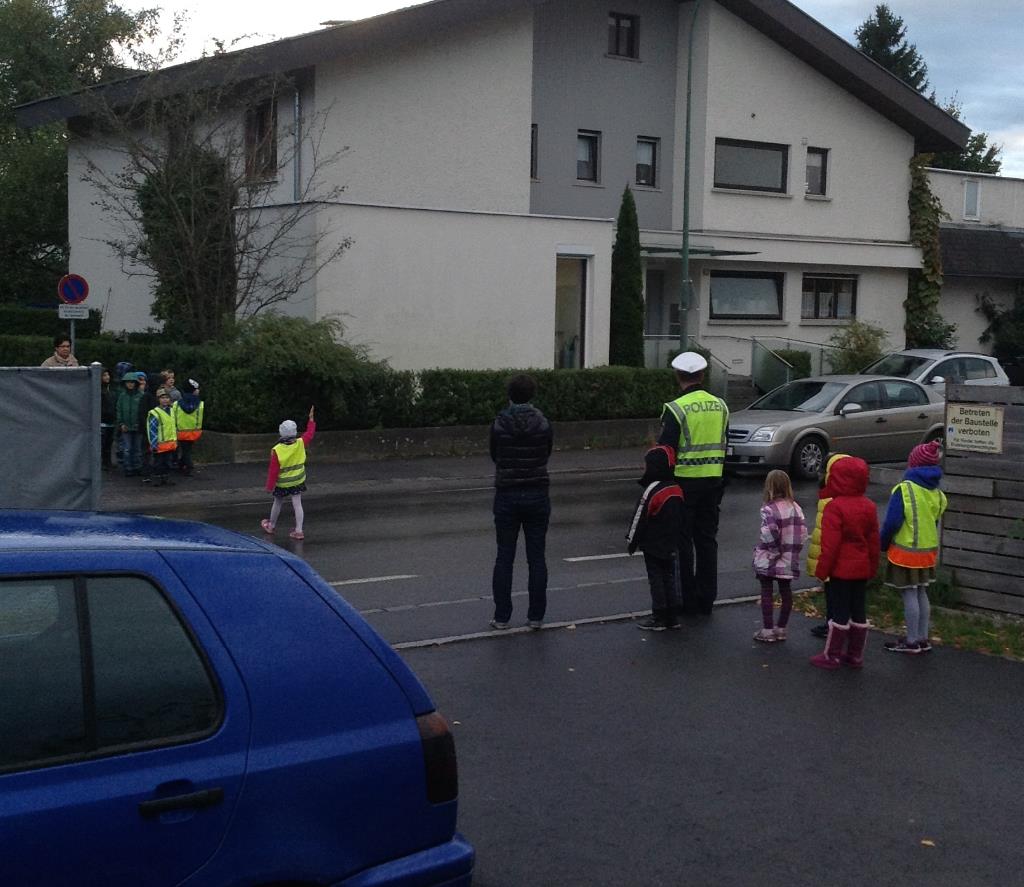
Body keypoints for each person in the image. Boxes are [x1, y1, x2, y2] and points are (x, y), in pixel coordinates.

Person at [658, 351, 729, 617]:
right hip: (713, 481)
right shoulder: (721, 405)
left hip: (684, 483)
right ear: (702, 374)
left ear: (678, 375)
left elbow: (666, 451)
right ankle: (707, 599)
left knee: (683, 542)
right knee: (707, 541)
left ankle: (687, 600)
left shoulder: (675, 408)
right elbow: (726, 443)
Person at [489, 373, 553, 631]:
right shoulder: (543, 423)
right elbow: (546, 452)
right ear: (532, 395)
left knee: (504, 557)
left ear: (509, 395)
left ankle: (502, 616)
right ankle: (536, 616)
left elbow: (496, 455)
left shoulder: (499, 424)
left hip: (507, 494)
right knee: (536, 557)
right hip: (537, 492)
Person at [810, 456, 879, 670]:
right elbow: (873, 541)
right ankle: (855, 655)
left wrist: (822, 570)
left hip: (841, 570)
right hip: (861, 568)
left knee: (839, 613)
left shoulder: (835, 507)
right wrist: (873, 567)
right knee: (858, 611)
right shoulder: (869, 506)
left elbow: (830, 545)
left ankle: (832, 655)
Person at [880, 440, 947, 654]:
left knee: (908, 594)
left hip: (906, 552)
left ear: (913, 465)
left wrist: (882, 543)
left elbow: (892, 522)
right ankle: (922, 637)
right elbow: (934, 520)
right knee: (921, 593)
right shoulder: (936, 493)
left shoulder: (904, 489)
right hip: (928, 552)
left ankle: (911, 641)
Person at [626, 445, 684, 631]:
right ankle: (672, 616)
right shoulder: (676, 489)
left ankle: (658, 615)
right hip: (671, 543)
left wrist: (631, 541)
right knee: (670, 577)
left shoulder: (652, 490)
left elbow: (639, 517)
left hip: (653, 543)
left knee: (656, 579)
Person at [752, 469, 808, 643]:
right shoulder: (796, 508)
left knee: (767, 591)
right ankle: (781, 628)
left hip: (770, 557)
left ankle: (767, 630)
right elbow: (803, 532)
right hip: (789, 557)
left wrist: (775, 551)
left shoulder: (769, 509)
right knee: (786, 592)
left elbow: (769, 532)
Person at [805, 453, 851, 639]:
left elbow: (827, 532)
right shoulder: (845, 497)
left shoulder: (830, 500)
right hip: (840, 557)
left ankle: (834, 625)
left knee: (834, 593)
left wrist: (822, 563)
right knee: (837, 594)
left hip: (832, 556)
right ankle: (836, 622)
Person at [262, 406, 316, 541]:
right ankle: (299, 530)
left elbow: (273, 471)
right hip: (297, 480)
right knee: (297, 504)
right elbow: (310, 433)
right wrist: (311, 420)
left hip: (282, 482)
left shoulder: (277, 450)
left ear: (281, 433)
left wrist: (270, 487)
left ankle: (271, 525)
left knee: (278, 502)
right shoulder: (300, 443)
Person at [172, 377, 204, 476]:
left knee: (185, 450)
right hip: (194, 432)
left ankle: (182, 464)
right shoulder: (200, 403)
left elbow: (173, 417)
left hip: (180, 431)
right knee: (187, 450)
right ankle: (188, 466)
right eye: (196, 389)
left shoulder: (177, 404)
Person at [146, 388, 178, 486]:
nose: (165, 400)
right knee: (158, 463)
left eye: (167, 398)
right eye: (162, 398)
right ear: (158, 399)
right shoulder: (155, 413)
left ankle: (166, 478)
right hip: (159, 444)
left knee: (168, 463)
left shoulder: (172, 411)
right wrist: (153, 444)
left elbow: (174, 427)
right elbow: (152, 430)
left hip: (170, 444)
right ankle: (157, 479)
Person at [116, 371, 144, 477]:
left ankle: (137, 467)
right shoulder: (122, 396)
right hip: (126, 426)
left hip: (137, 426)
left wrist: (140, 423)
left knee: (137, 448)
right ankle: (128, 467)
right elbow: (119, 410)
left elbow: (142, 411)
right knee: (127, 448)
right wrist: (121, 423)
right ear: (124, 383)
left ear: (136, 383)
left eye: (132, 382)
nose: (130, 384)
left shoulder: (141, 395)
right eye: (128, 382)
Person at [99, 367, 117, 471]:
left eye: (108, 375)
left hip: (111, 419)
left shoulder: (111, 388)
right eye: (104, 375)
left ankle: (107, 461)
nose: (107, 377)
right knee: (102, 442)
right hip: (102, 419)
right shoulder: (99, 390)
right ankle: (102, 462)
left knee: (109, 442)